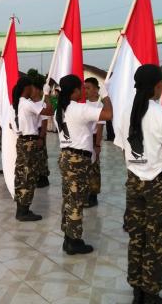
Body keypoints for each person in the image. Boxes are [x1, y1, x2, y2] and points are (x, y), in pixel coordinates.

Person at [120, 65, 162, 304]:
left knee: (137, 237)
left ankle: (137, 292)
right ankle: (150, 295)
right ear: (157, 86)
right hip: (158, 184)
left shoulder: (125, 112)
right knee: (157, 240)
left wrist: (136, 170)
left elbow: (123, 150)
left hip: (134, 182)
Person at [55, 74, 113, 255]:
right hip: (77, 159)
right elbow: (108, 114)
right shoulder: (79, 108)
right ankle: (74, 241)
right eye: (80, 87)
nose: (82, 90)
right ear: (74, 91)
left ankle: (68, 237)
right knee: (76, 200)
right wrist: (105, 95)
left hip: (66, 156)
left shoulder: (62, 109)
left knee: (69, 199)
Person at [12, 76, 54, 221]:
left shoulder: (22, 103)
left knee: (23, 175)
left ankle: (22, 208)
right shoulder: (27, 103)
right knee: (28, 177)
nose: (34, 90)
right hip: (29, 142)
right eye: (32, 87)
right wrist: (47, 94)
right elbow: (49, 111)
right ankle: (23, 211)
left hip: (24, 141)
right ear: (27, 88)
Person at [83, 77, 105, 208]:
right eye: (84, 88)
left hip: (94, 138)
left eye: (88, 88)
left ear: (96, 89)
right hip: (84, 138)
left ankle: (93, 195)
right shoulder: (83, 104)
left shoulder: (100, 105)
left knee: (94, 167)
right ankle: (86, 192)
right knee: (85, 167)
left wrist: (97, 145)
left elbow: (100, 127)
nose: (86, 90)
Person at [30, 80, 50, 188]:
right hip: (31, 132)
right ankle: (36, 176)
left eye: (32, 89)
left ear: (38, 90)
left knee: (41, 155)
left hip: (39, 132)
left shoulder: (42, 104)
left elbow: (44, 121)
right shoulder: (29, 103)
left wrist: (41, 137)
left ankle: (43, 177)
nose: (30, 91)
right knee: (33, 156)